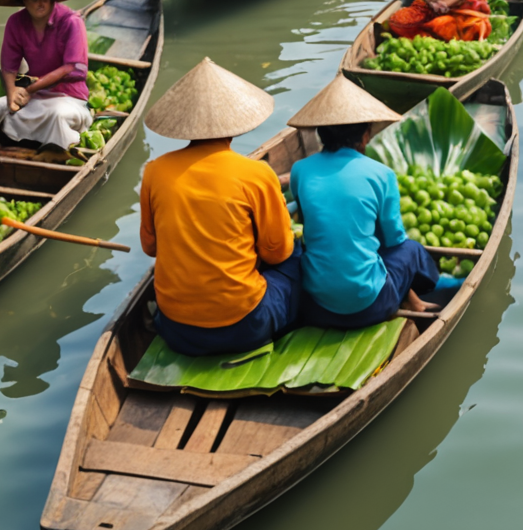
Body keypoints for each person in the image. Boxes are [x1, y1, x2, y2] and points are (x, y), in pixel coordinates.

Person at [139, 58, 300, 356]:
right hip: (246, 325)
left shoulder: (154, 171)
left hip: (176, 329)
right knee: (298, 257)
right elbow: (277, 252)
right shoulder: (256, 174)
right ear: (234, 123)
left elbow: (150, 247)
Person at [287, 78, 442, 329]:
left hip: (314, 306)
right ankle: (429, 291)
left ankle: (414, 301)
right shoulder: (381, 174)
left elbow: (306, 221)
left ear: (321, 134)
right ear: (365, 135)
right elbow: (393, 240)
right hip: (371, 307)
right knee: (411, 250)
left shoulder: (300, 170)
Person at [0, 0, 93, 151]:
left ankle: (59, 151)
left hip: (69, 96)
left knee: (58, 115)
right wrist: (11, 94)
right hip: (38, 94)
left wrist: (29, 90)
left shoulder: (71, 22)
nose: (40, 3)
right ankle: (13, 145)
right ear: (24, 0)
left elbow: (71, 68)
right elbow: (9, 65)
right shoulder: (16, 22)